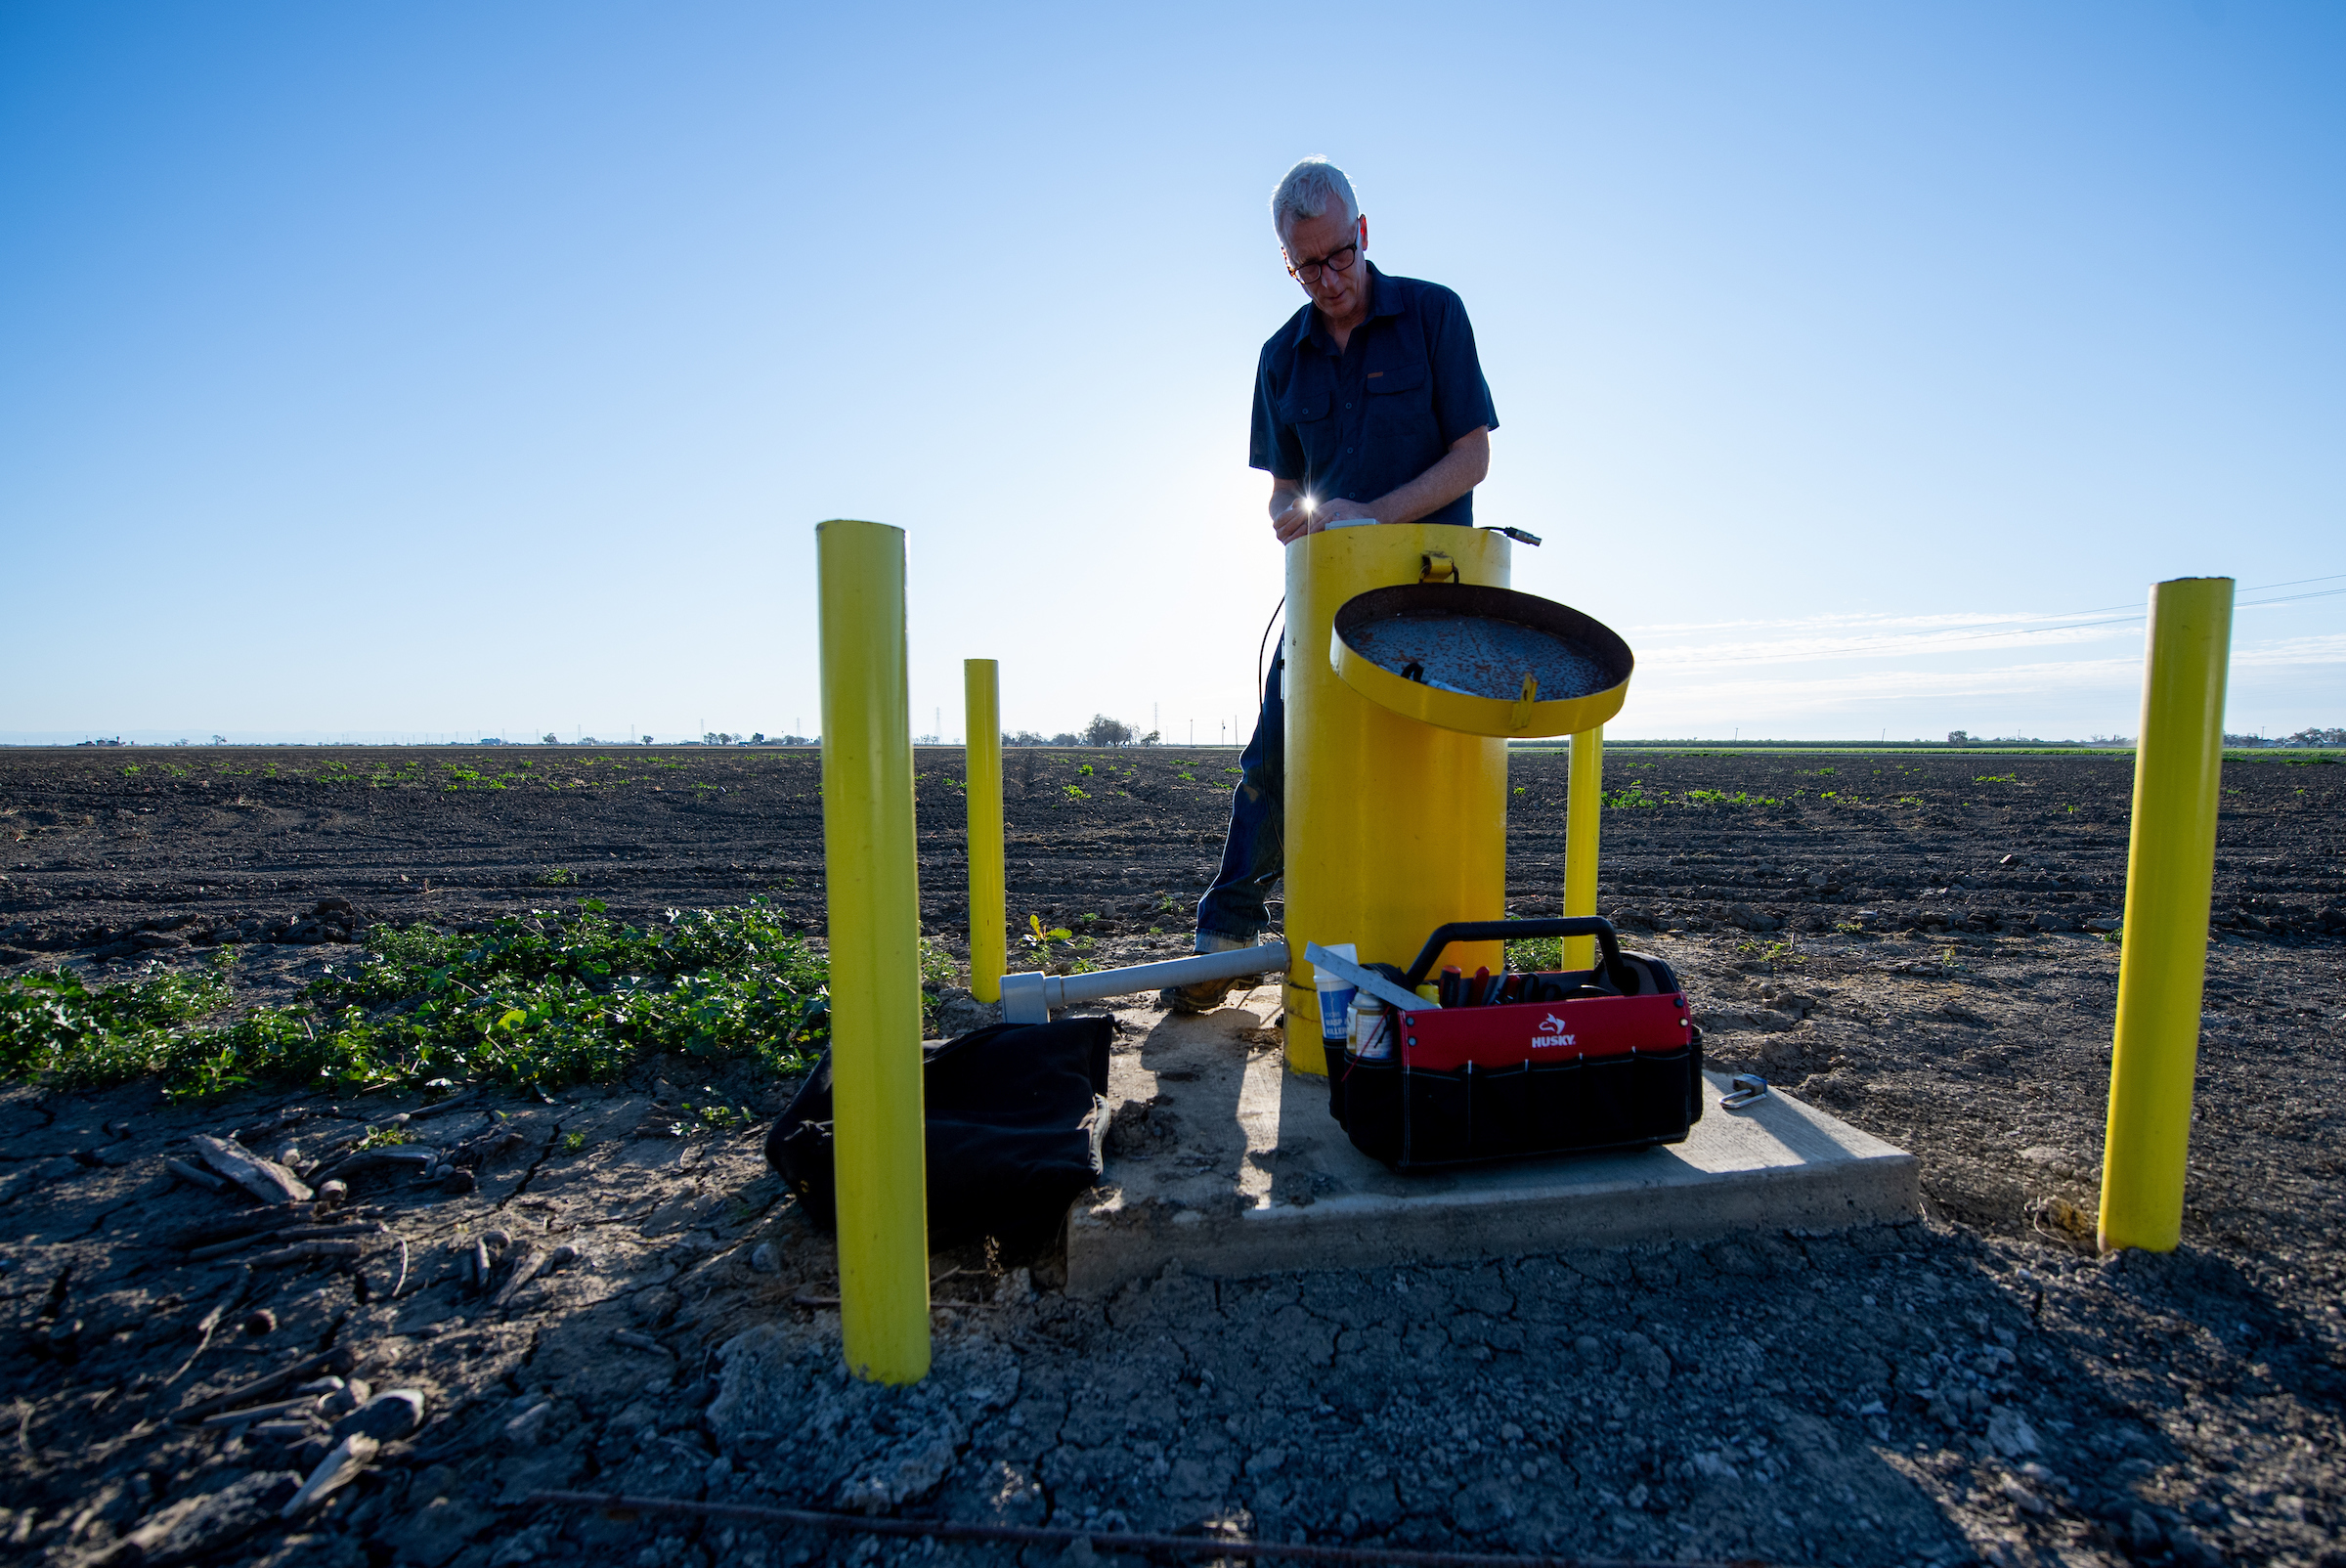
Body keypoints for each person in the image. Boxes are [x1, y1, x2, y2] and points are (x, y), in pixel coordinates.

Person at [1166, 156, 1498, 1013]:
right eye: (1306, 265)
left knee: (1418, 777)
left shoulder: (1434, 314)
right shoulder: (1281, 357)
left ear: (1362, 233)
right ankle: (1224, 939)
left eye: (1338, 256)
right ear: (1286, 261)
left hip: (1434, 596)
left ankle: (1425, 960)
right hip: (1323, 598)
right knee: (1274, 755)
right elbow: (1282, 489)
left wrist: (1375, 513)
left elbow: (1473, 456)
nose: (1329, 279)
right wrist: (1291, 514)